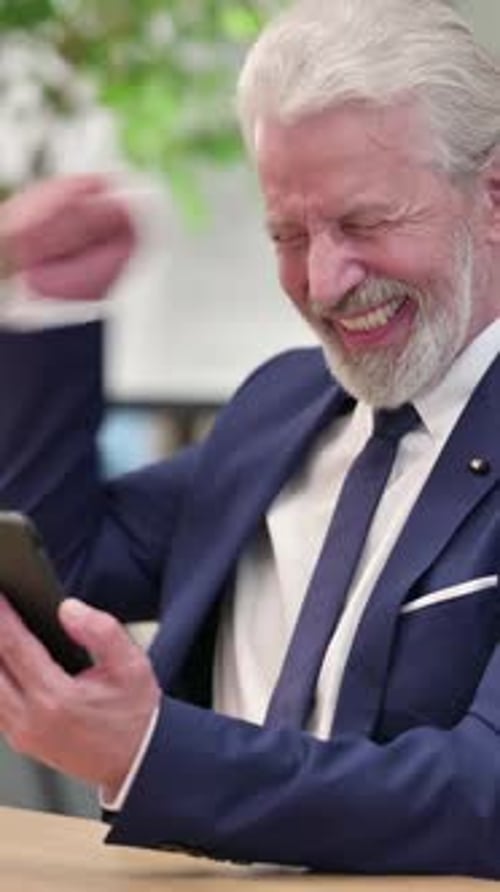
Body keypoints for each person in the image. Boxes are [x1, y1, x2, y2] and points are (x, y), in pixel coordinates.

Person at [0, 0, 498, 876]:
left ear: (492, 197)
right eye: (289, 235)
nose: (323, 281)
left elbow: (482, 791)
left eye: (365, 224)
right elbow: (62, 571)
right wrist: (53, 303)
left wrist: (151, 752)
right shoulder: (282, 401)